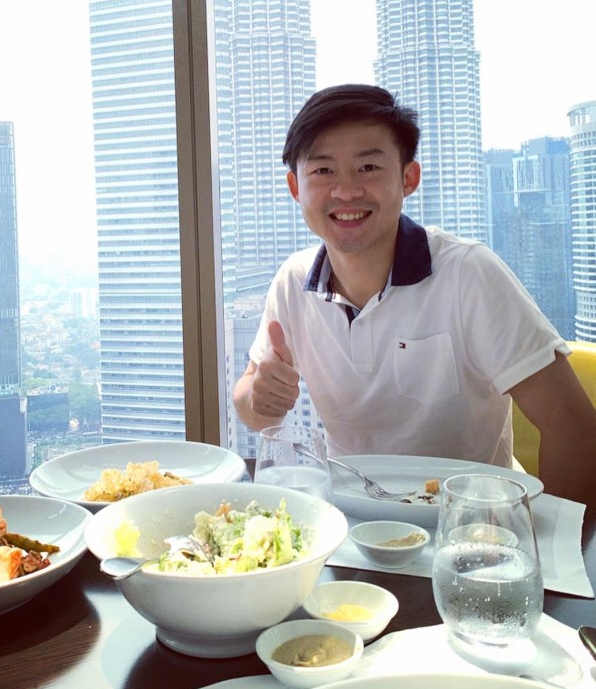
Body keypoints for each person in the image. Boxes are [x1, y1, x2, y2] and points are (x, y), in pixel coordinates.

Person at [233, 84, 596, 506]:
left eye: (368, 167)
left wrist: (549, 541)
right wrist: (259, 396)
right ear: (296, 187)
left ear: (409, 178)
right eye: (323, 171)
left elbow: (574, 430)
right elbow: (250, 403)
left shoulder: (467, 274)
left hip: (464, 524)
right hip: (347, 518)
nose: (346, 191)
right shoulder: (293, 281)